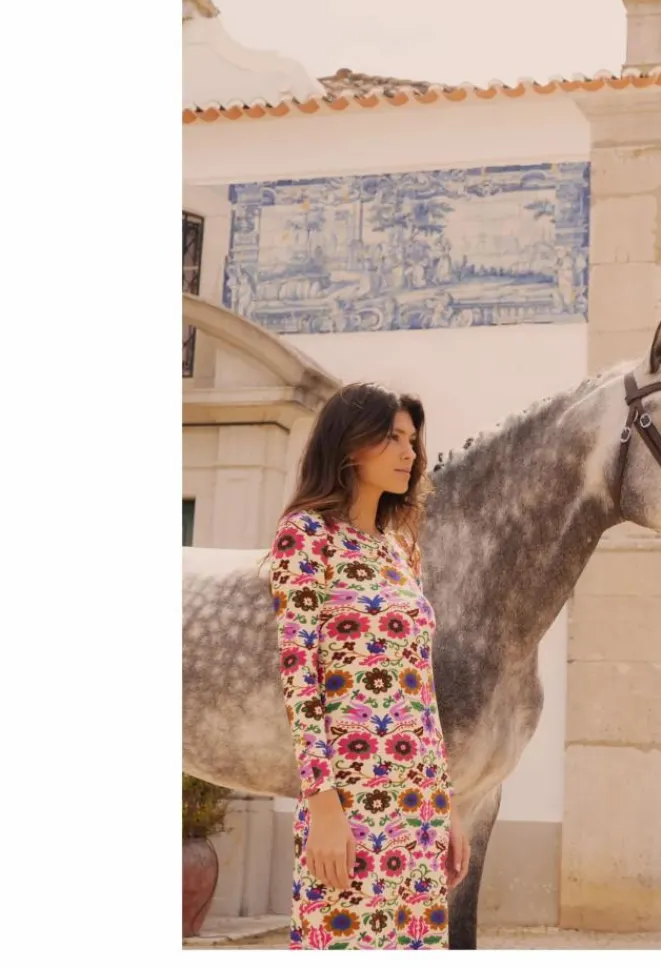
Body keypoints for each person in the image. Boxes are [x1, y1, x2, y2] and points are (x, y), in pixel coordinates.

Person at [269, 383, 470, 950]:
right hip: (351, 797)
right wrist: (322, 802)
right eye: (393, 438)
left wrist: (447, 807)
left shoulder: (400, 549)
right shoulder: (306, 536)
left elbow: (422, 690)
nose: (410, 452)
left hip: (419, 802)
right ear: (351, 444)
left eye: (412, 440)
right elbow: (299, 675)